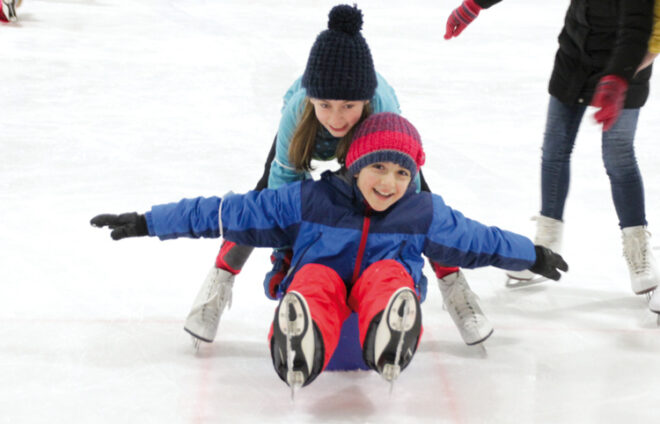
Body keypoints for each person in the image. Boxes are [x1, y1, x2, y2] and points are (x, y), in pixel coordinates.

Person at [90, 112, 568, 389]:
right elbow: (227, 212)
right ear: (354, 163)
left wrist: (532, 255)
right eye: (379, 167)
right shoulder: (308, 200)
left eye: (402, 173)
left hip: (375, 304)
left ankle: (391, 331)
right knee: (313, 281)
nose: (389, 182)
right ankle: (301, 337)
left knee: (389, 279)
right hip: (322, 297)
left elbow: (479, 241)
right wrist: (149, 222)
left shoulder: (422, 213)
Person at [184, 3, 493, 359]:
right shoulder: (298, 114)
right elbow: (280, 204)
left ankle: (455, 287)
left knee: (423, 205)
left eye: (348, 105)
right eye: (325, 104)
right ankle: (220, 281)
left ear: (365, 100)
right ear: (312, 99)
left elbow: (414, 208)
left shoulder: (382, 111)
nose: (336, 118)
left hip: (372, 138)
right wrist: (286, 257)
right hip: (303, 132)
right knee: (257, 205)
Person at [444, 0, 660, 309]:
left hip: (626, 63)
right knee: (555, 149)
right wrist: (476, 3)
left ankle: (637, 246)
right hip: (576, 57)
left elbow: (639, 28)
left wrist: (619, 78)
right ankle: (546, 243)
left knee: (618, 155)